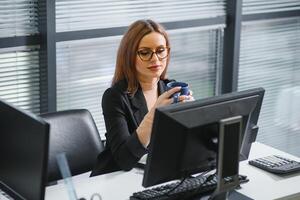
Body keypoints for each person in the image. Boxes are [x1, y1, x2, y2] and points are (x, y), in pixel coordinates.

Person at [91, 19, 193, 176]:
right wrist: (155, 114)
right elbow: (124, 159)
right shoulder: (114, 97)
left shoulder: (170, 89)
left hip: (154, 173)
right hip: (115, 178)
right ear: (129, 56)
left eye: (160, 50)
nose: (155, 59)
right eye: (145, 52)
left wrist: (193, 117)